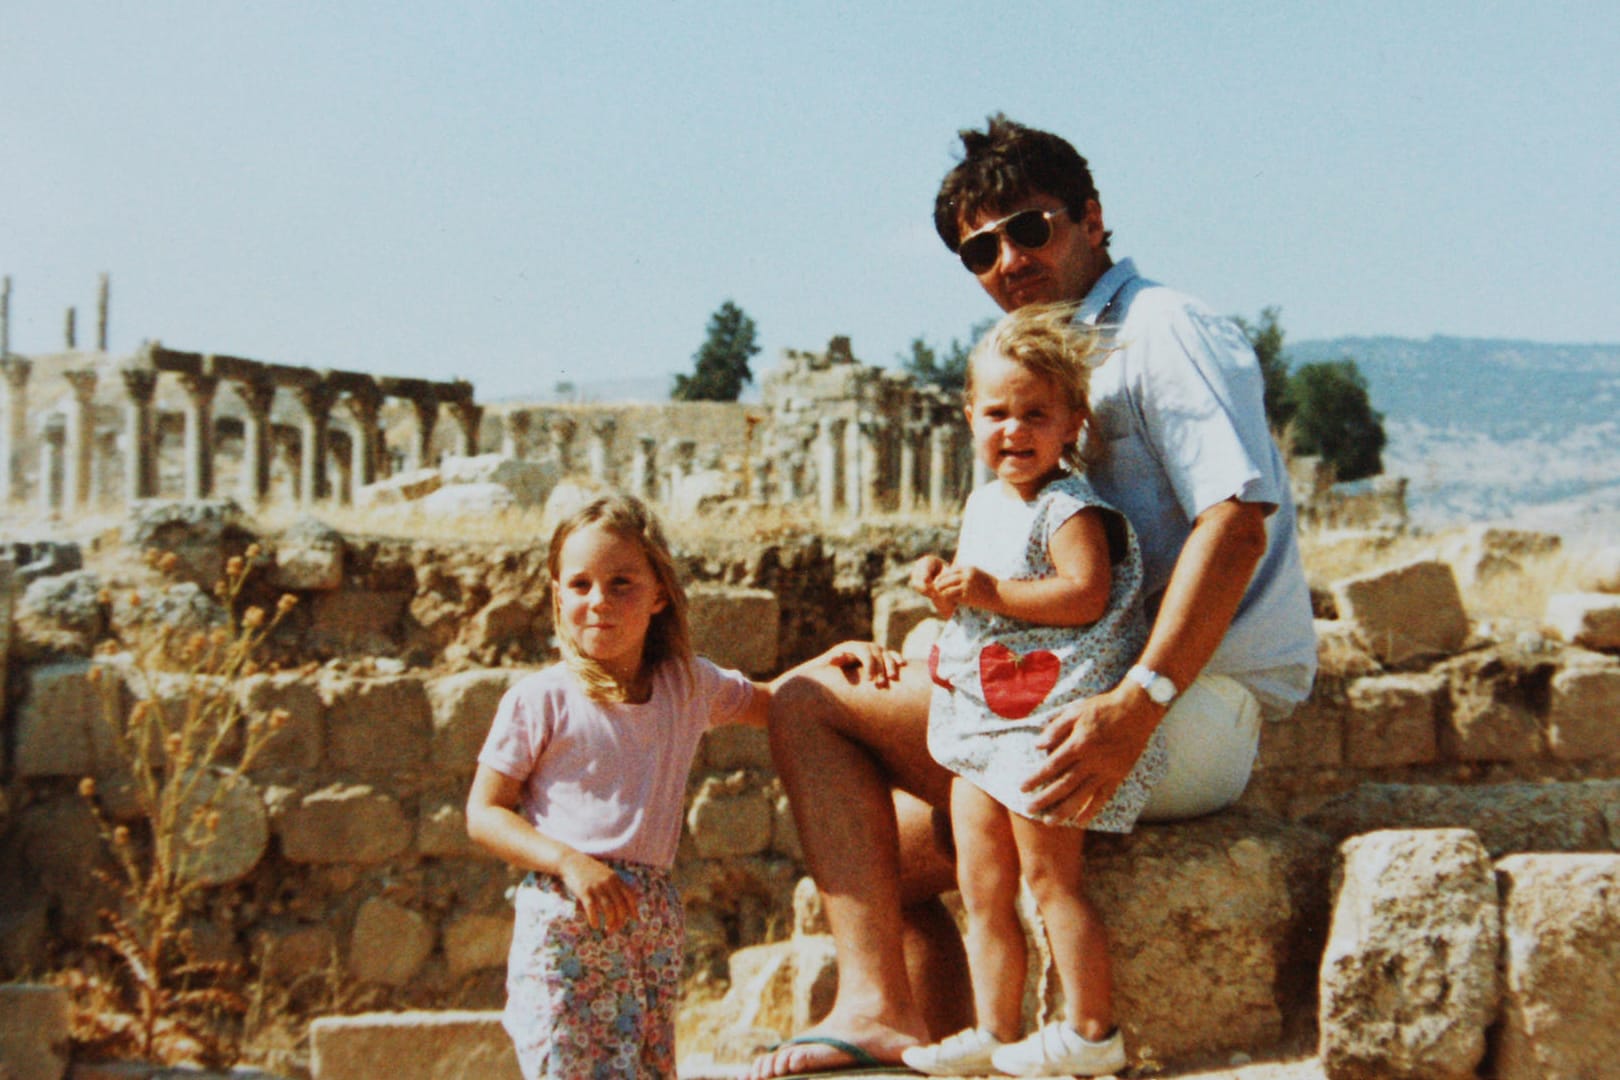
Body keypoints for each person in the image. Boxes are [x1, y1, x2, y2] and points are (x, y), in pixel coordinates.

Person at [747, 114, 1317, 1079]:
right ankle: (957, 1042)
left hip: (1185, 706)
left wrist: (1141, 702)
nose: (1007, 259)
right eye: (979, 248)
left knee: (806, 701)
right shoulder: (1044, 363)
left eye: (1029, 228)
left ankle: (874, 1007)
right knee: (878, 853)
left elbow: (1235, 523)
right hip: (1072, 687)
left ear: (1092, 219)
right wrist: (934, 653)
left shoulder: (1162, 329)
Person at [466, 493, 896, 1078]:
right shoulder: (540, 699)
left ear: (659, 595)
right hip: (565, 920)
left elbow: (774, 702)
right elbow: (485, 812)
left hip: (649, 921)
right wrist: (569, 862)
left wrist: (834, 661)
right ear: (556, 594)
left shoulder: (686, 686)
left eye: (621, 584)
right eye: (580, 585)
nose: (598, 602)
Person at [900, 302, 1149, 1077]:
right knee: (982, 883)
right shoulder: (984, 504)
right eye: (999, 413)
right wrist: (946, 588)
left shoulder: (1070, 508)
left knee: (1049, 877)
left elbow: (1084, 594)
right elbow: (985, 597)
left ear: (1073, 420)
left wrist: (993, 593)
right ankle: (996, 1029)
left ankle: (1091, 1029)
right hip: (986, 721)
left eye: (1036, 414)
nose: (1015, 431)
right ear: (970, 415)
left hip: (1046, 720)